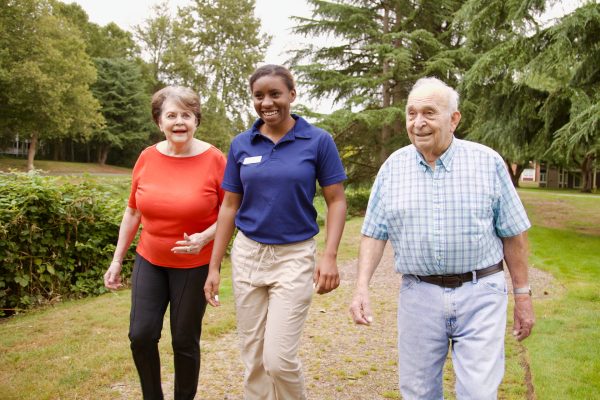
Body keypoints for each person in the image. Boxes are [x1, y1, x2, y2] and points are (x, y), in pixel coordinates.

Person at [349, 77, 535, 399]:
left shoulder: (487, 163)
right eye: (411, 113)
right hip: (418, 295)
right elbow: (374, 234)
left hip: (481, 293)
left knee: (478, 393)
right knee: (418, 392)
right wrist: (361, 286)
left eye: (429, 113)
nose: (418, 123)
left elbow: (513, 235)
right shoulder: (393, 168)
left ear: (454, 119)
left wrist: (522, 296)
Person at [203, 64, 347, 399]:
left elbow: (336, 201)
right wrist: (214, 266)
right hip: (249, 254)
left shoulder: (317, 141)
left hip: (294, 257)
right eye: (259, 95)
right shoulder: (242, 144)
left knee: (278, 360)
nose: (267, 102)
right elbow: (229, 207)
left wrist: (329, 256)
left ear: (292, 96)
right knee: (254, 359)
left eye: (275, 94)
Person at [103, 86, 226, 400]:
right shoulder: (147, 157)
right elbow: (132, 212)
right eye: (171, 115)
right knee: (141, 335)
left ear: (196, 120)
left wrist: (206, 237)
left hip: (193, 265)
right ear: (159, 122)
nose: (179, 122)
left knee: (184, 341)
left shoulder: (215, 159)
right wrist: (117, 260)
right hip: (150, 259)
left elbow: (232, 212)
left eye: (186, 115)